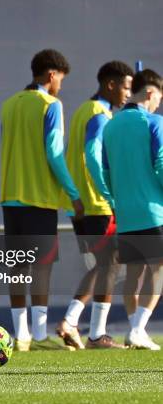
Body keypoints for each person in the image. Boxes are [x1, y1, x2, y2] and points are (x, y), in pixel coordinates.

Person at [0, 49, 84, 351]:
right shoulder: (51, 104)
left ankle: (19, 335)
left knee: (18, 267)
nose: (60, 85)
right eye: (61, 79)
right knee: (42, 268)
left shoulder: (9, 105)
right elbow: (54, 153)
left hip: (10, 198)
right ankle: (37, 336)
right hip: (40, 198)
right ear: (52, 75)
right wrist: (74, 194)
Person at [56, 61, 134, 350]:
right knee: (108, 265)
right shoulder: (100, 114)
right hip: (97, 204)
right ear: (111, 84)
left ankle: (74, 322)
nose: (128, 94)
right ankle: (93, 333)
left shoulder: (83, 111)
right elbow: (92, 154)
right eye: (126, 87)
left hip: (82, 204)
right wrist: (109, 193)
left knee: (105, 265)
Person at [101, 69, 163, 350]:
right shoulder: (153, 122)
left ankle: (135, 329)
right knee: (157, 271)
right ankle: (137, 329)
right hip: (153, 210)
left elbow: (105, 171)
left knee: (134, 273)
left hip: (125, 213)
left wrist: (116, 200)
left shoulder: (110, 125)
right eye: (159, 98)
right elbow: (161, 165)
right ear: (150, 92)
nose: (158, 104)